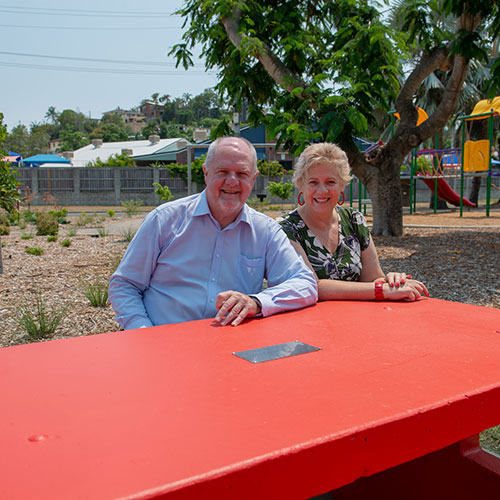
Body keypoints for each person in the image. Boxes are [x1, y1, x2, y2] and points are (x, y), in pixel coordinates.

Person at [109, 136, 318, 329]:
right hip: (164, 341)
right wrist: (142, 331)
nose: (232, 181)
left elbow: (305, 284)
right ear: (206, 173)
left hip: (230, 347)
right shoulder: (164, 220)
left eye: (242, 173)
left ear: (253, 179)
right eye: (223, 172)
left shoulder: (265, 231)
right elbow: (125, 285)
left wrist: (256, 302)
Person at [277, 142, 429, 302]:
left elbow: (373, 279)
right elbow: (312, 287)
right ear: (300, 185)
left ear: (342, 185)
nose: (322, 190)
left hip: (358, 320)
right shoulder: (286, 228)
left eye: (330, 182)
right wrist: (380, 290)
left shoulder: (354, 219)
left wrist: (391, 282)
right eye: (313, 182)